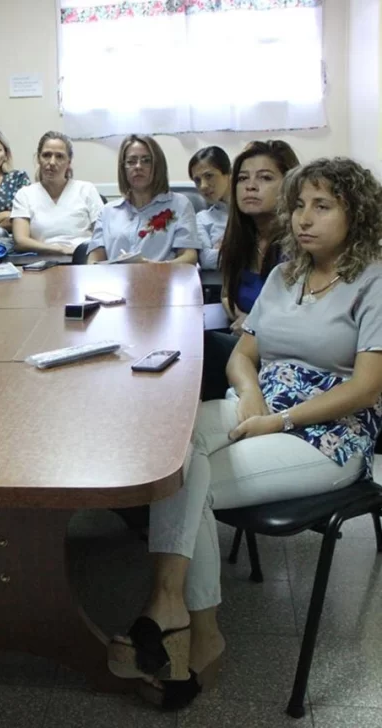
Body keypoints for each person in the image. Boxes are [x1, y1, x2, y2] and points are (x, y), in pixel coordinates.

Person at [107, 157, 382, 710]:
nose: (303, 219)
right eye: (299, 205)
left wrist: (278, 421)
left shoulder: (374, 278)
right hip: (261, 402)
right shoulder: (288, 273)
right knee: (171, 453)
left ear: (357, 213)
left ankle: (189, 625)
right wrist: (250, 396)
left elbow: (368, 388)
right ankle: (183, 617)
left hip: (327, 433)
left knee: (192, 482)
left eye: (322, 206)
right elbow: (246, 352)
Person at [202, 140, 300, 401]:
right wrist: (241, 316)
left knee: (207, 350)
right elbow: (225, 293)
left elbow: (301, 318)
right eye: (243, 178)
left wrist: (253, 326)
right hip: (246, 339)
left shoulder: (302, 242)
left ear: (290, 185)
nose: (250, 186)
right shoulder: (241, 238)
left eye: (265, 178)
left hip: (284, 354)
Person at [86, 135, 200, 265]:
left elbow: (189, 257)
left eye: (146, 160)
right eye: (131, 161)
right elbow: (93, 261)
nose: (138, 166)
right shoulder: (108, 211)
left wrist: (155, 268)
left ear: (158, 166)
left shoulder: (179, 204)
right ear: (123, 168)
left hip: (163, 281)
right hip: (116, 282)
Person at [10, 131, 103, 255]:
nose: (52, 162)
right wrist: (59, 249)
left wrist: (79, 252)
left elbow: (103, 235)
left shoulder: (86, 189)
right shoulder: (25, 194)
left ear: (69, 162)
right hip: (42, 262)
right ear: (38, 158)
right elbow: (21, 241)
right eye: (46, 155)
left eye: (59, 156)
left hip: (83, 261)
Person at [188, 146, 232, 270]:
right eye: (197, 180)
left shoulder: (250, 209)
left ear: (228, 173)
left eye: (209, 176)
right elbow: (207, 260)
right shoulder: (202, 218)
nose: (203, 186)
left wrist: (225, 249)